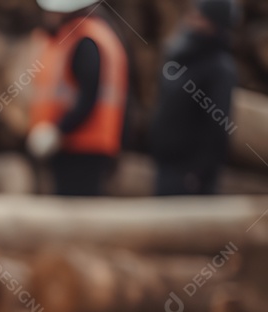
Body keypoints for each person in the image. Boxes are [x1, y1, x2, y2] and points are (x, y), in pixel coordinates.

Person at [26, 0, 129, 196]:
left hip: (84, 147)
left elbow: (89, 96)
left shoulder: (86, 40)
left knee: (79, 214)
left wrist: (57, 130)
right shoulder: (78, 35)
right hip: (73, 146)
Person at [151, 0, 240, 196]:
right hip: (166, 165)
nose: (192, 19)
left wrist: (198, 173)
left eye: (200, 15)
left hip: (190, 176)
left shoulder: (220, 68)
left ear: (215, 24)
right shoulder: (182, 56)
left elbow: (218, 125)